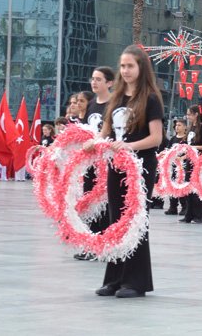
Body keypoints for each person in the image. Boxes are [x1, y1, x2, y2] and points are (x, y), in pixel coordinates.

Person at [93, 44, 163, 298]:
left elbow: (156, 138)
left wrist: (128, 147)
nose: (125, 70)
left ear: (141, 67)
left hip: (141, 168)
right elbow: (106, 132)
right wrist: (95, 143)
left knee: (134, 222)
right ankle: (114, 278)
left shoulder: (151, 99)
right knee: (115, 220)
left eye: (130, 66)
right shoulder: (117, 99)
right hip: (116, 167)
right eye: (122, 66)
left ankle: (135, 281)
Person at [75, 67, 115, 261]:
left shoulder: (114, 105)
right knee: (89, 201)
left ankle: (103, 245)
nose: (94, 82)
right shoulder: (91, 105)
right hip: (91, 162)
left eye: (99, 79)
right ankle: (90, 244)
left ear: (109, 83)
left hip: (107, 161)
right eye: (93, 79)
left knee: (105, 204)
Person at [180, 105, 202, 225]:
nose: (187, 116)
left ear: (196, 114)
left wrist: (193, 148)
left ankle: (199, 215)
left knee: (198, 188)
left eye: (189, 114)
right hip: (189, 161)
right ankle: (189, 214)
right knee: (189, 188)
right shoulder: (190, 128)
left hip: (199, 161)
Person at [164, 118, 188, 216]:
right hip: (173, 166)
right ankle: (172, 207)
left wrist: (181, 158)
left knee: (181, 186)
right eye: (176, 125)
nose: (177, 127)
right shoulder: (173, 139)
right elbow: (168, 150)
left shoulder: (186, 139)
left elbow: (189, 151)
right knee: (172, 185)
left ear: (185, 127)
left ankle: (184, 207)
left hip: (182, 167)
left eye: (179, 125)